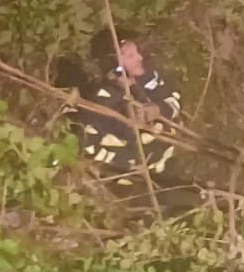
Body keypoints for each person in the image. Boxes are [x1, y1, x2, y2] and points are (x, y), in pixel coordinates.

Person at [70, 26, 183, 192]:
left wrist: (160, 109)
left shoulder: (148, 76)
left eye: (137, 51)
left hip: (169, 167)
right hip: (134, 185)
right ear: (113, 65)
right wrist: (131, 163)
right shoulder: (100, 102)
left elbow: (175, 97)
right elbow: (88, 146)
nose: (140, 57)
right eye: (130, 55)